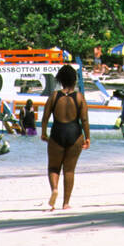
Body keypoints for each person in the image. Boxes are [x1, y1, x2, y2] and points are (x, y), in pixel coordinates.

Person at [41, 64, 90, 210]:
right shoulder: (80, 97)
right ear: (74, 80)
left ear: (60, 80)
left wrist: (44, 132)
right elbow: (85, 120)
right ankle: (66, 203)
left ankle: (55, 189)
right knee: (69, 170)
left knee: (53, 168)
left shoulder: (54, 96)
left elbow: (45, 117)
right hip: (74, 133)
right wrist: (88, 137)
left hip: (57, 132)